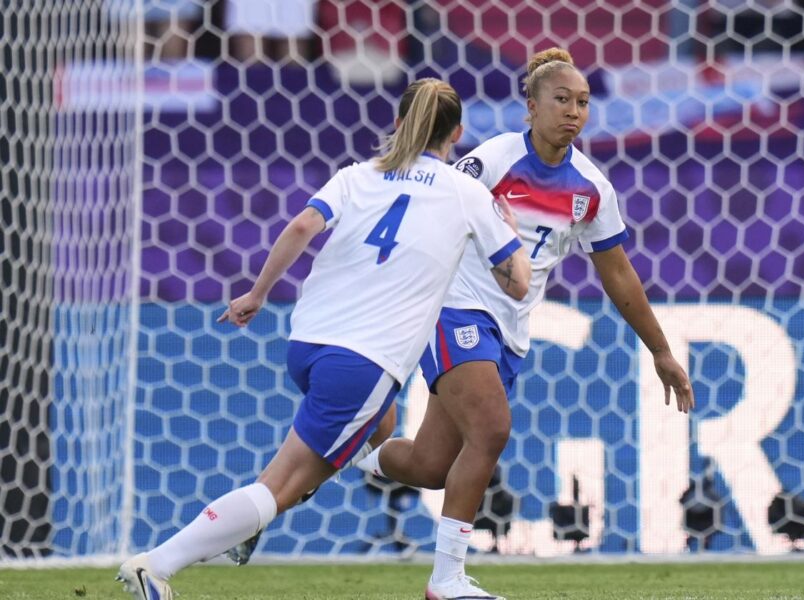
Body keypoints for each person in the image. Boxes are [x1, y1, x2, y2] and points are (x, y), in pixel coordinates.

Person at [228, 47, 695, 600]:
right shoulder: (491, 161)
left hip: (509, 332)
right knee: (492, 429)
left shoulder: (591, 189)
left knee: (429, 466)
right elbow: (428, 209)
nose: (574, 111)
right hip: (457, 308)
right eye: (561, 99)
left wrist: (660, 350)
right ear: (531, 106)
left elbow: (618, 273)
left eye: (583, 102)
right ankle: (446, 578)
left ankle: (341, 457)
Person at [115, 77, 531, 600]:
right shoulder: (466, 193)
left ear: (398, 123)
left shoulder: (357, 174)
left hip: (309, 343)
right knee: (280, 486)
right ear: (457, 135)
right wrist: (510, 233)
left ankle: (263, 507)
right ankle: (157, 565)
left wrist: (257, 294)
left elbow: (301, 226)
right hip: (365, 360)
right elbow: (517, 283)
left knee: (379, 423)